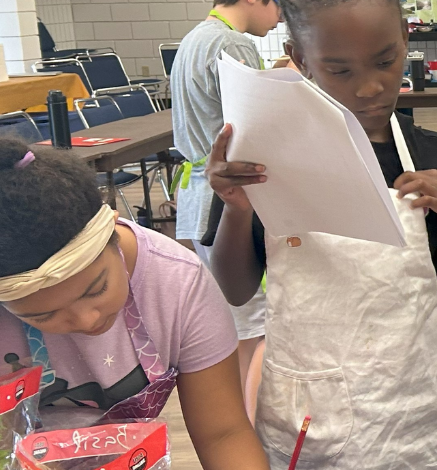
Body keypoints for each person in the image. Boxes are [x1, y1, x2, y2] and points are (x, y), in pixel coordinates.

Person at [203, 0, 437, 466]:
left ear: (406, 40)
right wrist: (237, 209)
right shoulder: (262, 160)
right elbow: (236, 288)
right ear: (300, 59)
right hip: (310, 418)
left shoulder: (436, 158)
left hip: (421, 415)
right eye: (340, 70)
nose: (370, 87)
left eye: (386, 62)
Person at [0, 139, 269, 469]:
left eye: (96, 289)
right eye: (43, 315)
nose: (87, 320)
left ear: (113, 231)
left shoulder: (175, 282)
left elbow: (223, 434)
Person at [169, 0, 281, 420]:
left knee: (235, 327)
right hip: (229, 198)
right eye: (279, 4)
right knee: (255, 332)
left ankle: (240, 428)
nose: (282, 15)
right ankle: (251, 435)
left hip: (199, 194)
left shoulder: (194, 39)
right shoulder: (232, 44)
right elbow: (256, 129)